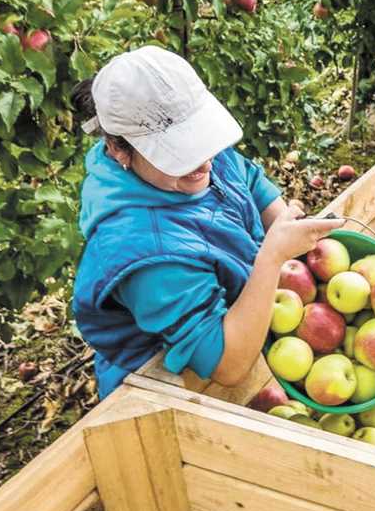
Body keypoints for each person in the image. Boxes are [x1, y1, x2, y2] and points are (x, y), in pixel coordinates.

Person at [70, 46, 341, 398]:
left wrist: (289, 234)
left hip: (249, 318)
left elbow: (246, 181)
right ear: (120, 150)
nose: (204, 163)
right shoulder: (142, 252)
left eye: (201, 140)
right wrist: (272, 258)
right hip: (168, 391)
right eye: (177, 153)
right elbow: (226, 365)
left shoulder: (191, 160)